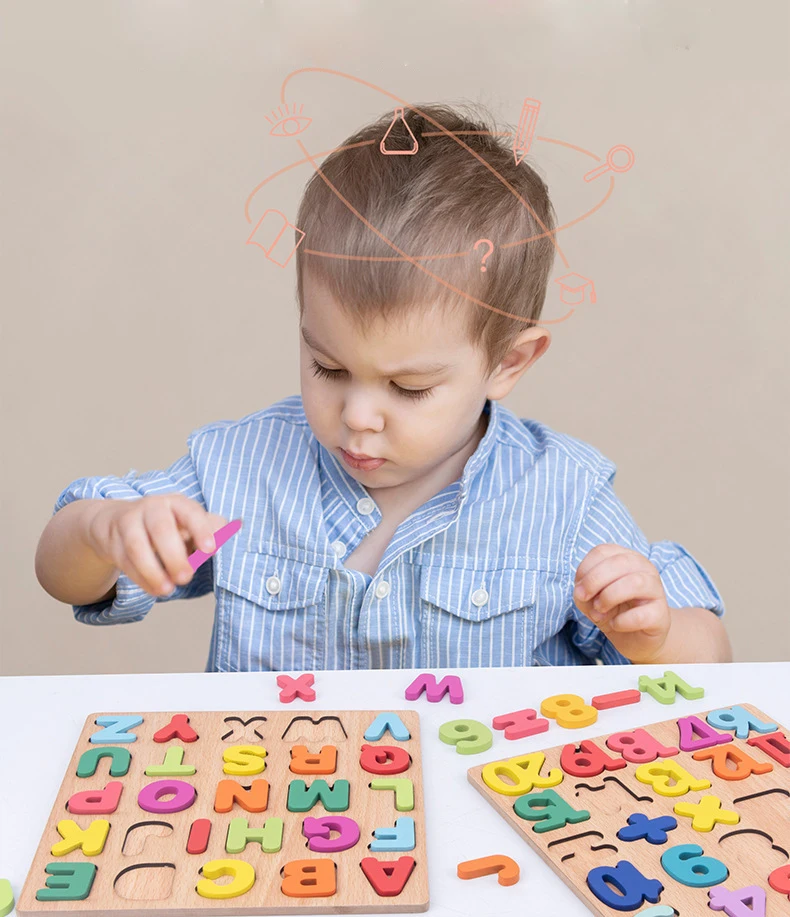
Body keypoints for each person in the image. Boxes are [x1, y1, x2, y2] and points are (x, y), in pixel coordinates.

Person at [35, 102, 731, 672]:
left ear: (508, 364)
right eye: (328, 369)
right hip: (280, 816)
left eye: (410, 387)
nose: (358, 417)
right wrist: (105, 531)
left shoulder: (563, 496)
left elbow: (711, 659)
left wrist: (654, 634)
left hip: (487, 824)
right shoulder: (243, 466)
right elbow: (63, 574)